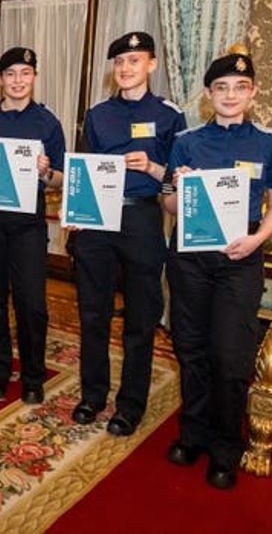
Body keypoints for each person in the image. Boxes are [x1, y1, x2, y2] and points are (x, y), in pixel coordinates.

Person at [161, 49, 272, 489]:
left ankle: (224, 447)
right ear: (208, 94)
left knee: (230, 358)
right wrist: (177, 188)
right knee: (191, 349)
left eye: (239, 87)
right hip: (189, 259)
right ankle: (192, 433)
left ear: (252, 92)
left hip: (240, 260)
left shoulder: (271, 143)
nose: (230, 95)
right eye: (221, 87)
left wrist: (257, 239)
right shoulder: (187, 141)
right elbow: (170, 205)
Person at [71, 32, 187, 436]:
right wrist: (77, 208)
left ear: (151, 65)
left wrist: (154, 169)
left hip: (141, 220)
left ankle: (130, 405)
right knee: (93, 314)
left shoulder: (171, 116)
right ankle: (92, 395)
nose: (125, 68)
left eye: (134, 61)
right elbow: (82, 169)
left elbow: (181, 181)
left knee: (140, 318)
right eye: (119, 62)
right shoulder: (99, 114)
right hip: (97, 224)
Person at [0, 47, 65, 405]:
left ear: (34, 77)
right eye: (10, 74)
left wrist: (45, 171)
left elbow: (61, 179)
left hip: (27, 225)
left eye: (25, 73)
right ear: (0, 80)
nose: (18, 80)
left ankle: (34, 377)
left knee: (31, 302)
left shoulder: (48, 122)